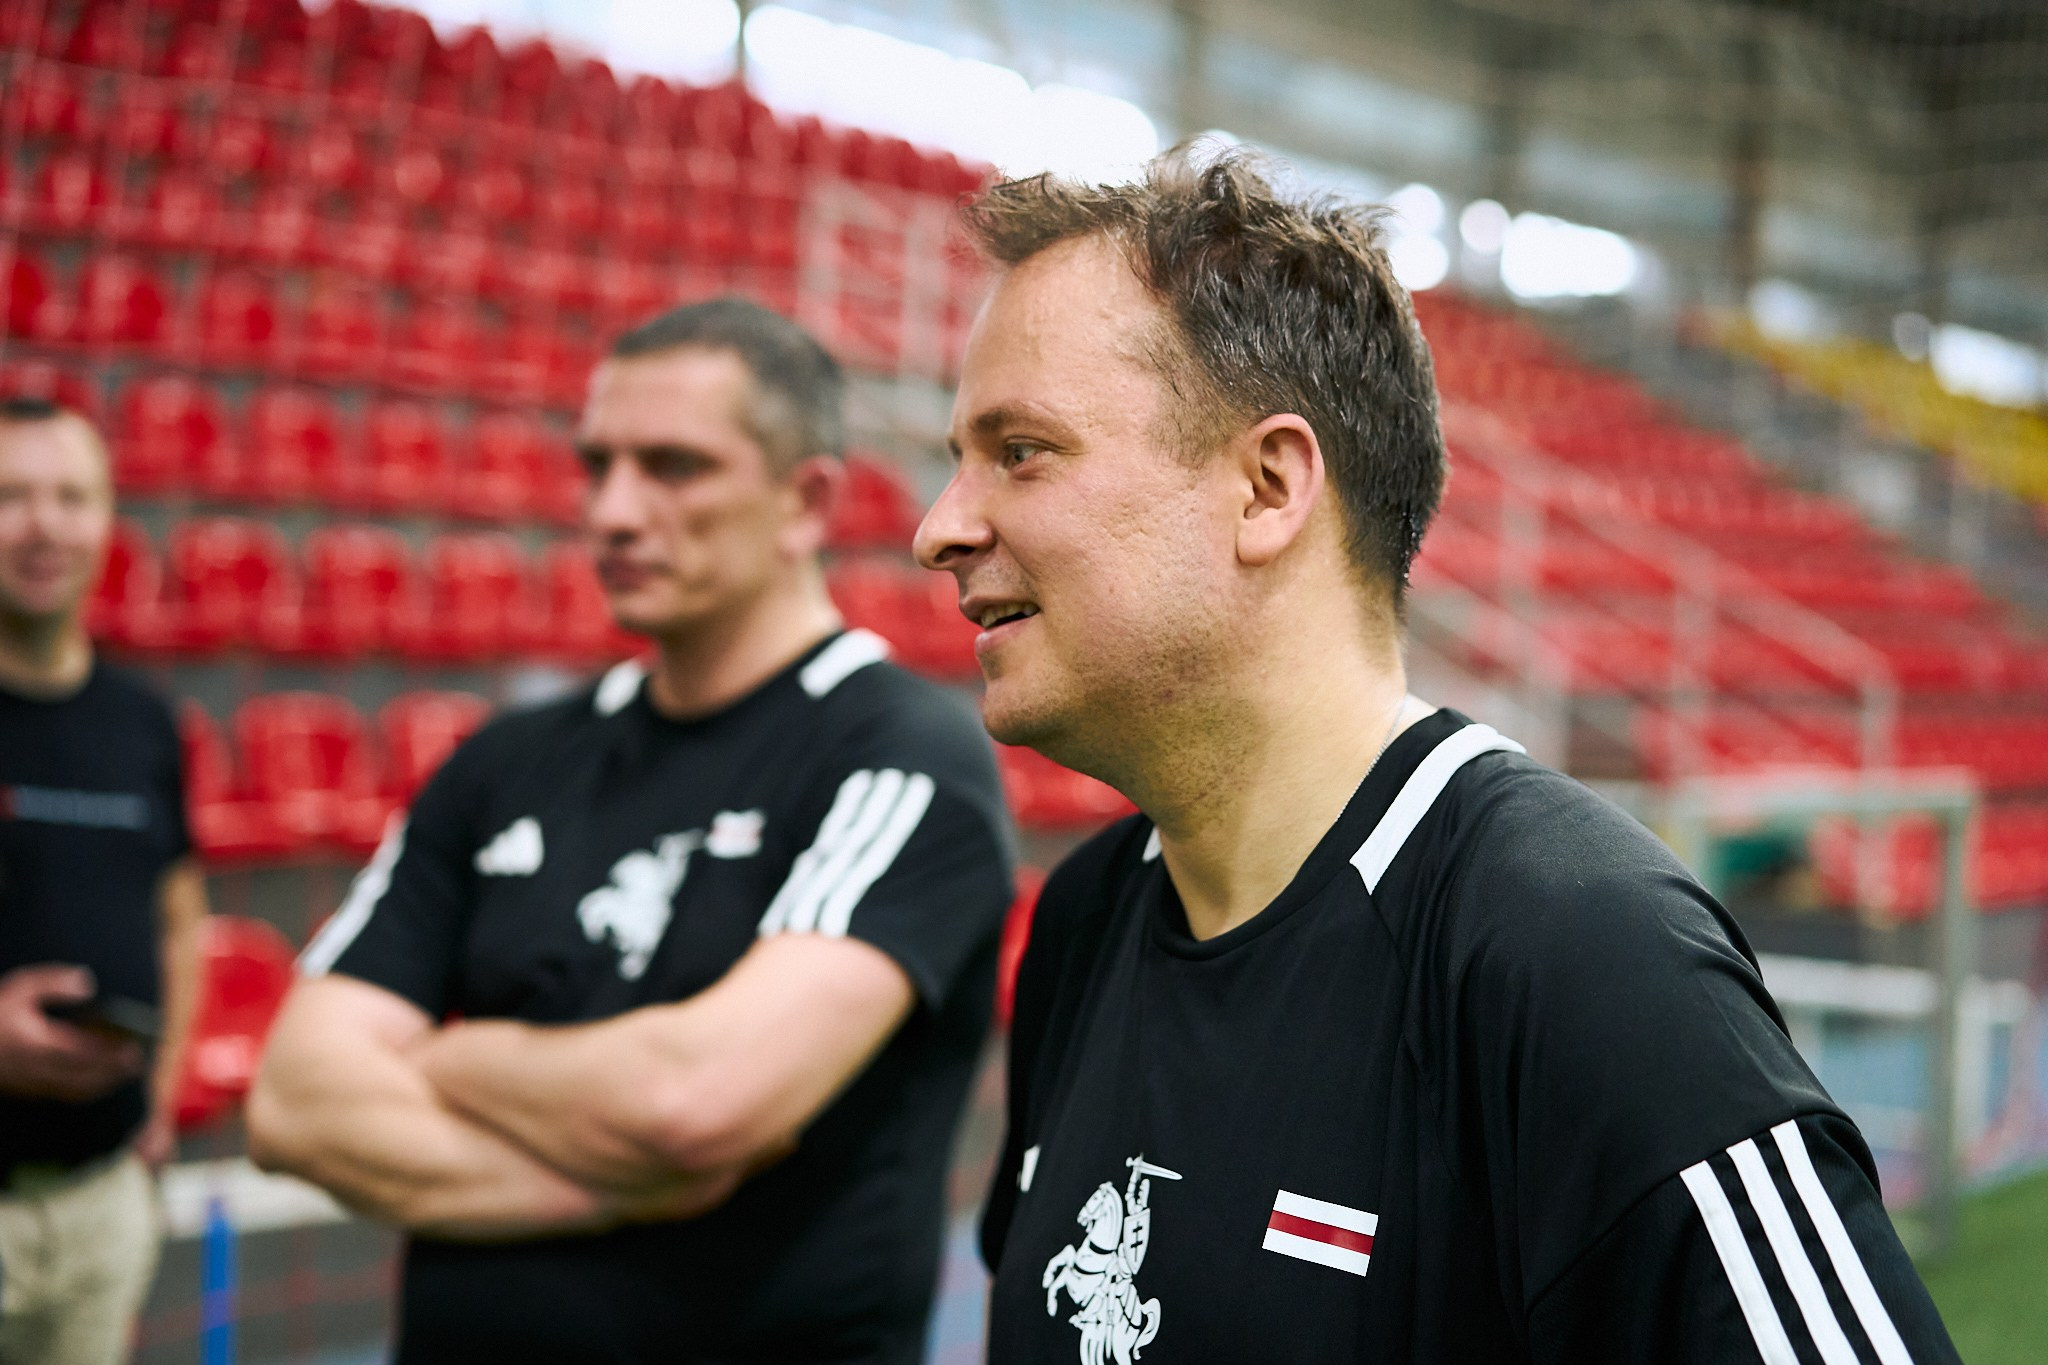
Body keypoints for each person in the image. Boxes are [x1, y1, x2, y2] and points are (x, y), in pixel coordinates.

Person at [916, 152, 1961, 1363]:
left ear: (1266, 488)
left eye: (1021, 451)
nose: (939, 526)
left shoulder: (1579, 952)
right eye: (956, 457)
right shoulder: (1090, 917)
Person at [248, 298, 1013, 1365]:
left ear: (806, 502)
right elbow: (294, 1099)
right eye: (596, 464)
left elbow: (691, 1102)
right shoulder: (504, 760)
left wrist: (454, 1056)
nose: (612, 510)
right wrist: (618, 1188)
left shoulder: (901, 758)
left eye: (672, 467)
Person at [0, 396, 208, 1364]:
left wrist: (158, 1107)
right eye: (12, 496)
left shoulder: (144, 721)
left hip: (99, 1201)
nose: (45, 524)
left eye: (71, 496)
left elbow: (180, 917)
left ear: (107, 517)